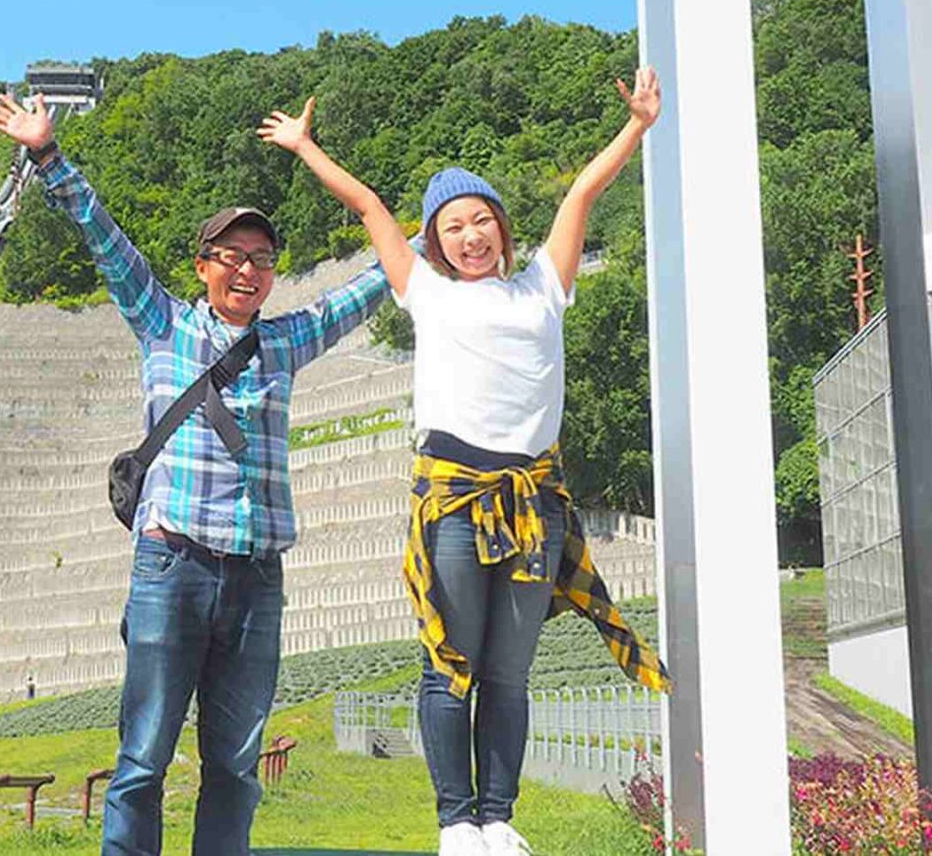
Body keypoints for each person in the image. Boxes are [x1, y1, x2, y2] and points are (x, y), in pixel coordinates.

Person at [258, 72, 674, 856]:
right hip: (451, 495)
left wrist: (638, 127)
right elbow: (370, 208)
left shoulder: (544, 287)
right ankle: (456, 822)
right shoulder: (426, 292)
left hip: (533, 500)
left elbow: (580, 194)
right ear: (436, 241)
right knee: (450, 663)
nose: (471, 234)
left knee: (510, 672)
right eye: (454, 225)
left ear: (503, 231)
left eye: (483, 220)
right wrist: (306, 146)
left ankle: (498, 816)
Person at [0, 92, 389, 856]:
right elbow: (105, 241)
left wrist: (434, 234)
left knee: (234, 767)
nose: (247, 270)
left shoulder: (287, 340)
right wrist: (47, 155)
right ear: (203, 267)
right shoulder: (163, 324)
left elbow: (377, 281)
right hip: (173, 566)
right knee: (143, 761)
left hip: (257, 577)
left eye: (262, 259)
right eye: (231, 256)